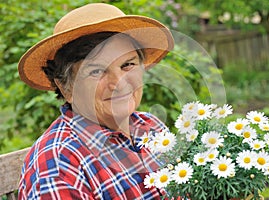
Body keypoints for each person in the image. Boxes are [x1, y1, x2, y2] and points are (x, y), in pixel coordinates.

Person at [17, 3, 174, 200]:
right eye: (97, 71)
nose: (119, 83)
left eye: (128, 65)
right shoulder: (59, 166)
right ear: (67, 88)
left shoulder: (151, 126)